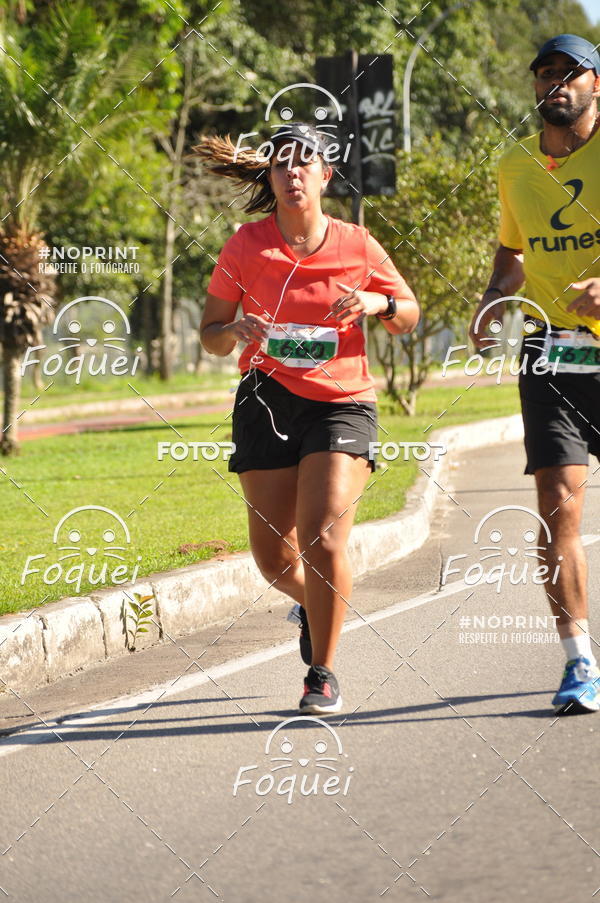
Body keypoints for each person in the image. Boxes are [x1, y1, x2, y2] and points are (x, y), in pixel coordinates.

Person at [197, 123, 419, 714]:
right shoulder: (245, 246)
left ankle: (322, 672)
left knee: (322, 537)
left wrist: (378, 301)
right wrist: (233, 329)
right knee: (274, 560)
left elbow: (408, 315)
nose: (291, 172)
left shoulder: (358, 244)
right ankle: (318, 604)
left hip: (341, 403)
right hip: (266, 399)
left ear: (325, 175)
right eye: (280, 163)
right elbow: (210, 336)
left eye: (304, 162)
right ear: (271, 177)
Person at [469, 34, 600, 714]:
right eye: (546, 73)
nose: (556, 83)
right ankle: (580, 660)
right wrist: (494, 296)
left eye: (571, 73)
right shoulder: (514, 163)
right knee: (557, 503)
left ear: (596, 85)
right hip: (551, 351)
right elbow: (512, 252)